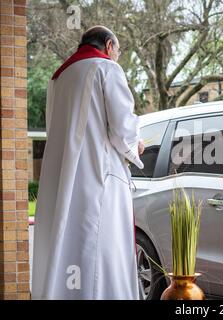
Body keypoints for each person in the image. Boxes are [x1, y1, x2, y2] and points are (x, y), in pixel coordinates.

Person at [32, 26, 144, 300]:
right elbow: (122, 128)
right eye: (117, 51)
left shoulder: (59, 78)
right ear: (108, 45)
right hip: (99, 176)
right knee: (103, 252)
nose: (116, 57)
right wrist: (136, 145)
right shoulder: (107, 69)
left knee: (69, 246)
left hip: (64, 179)